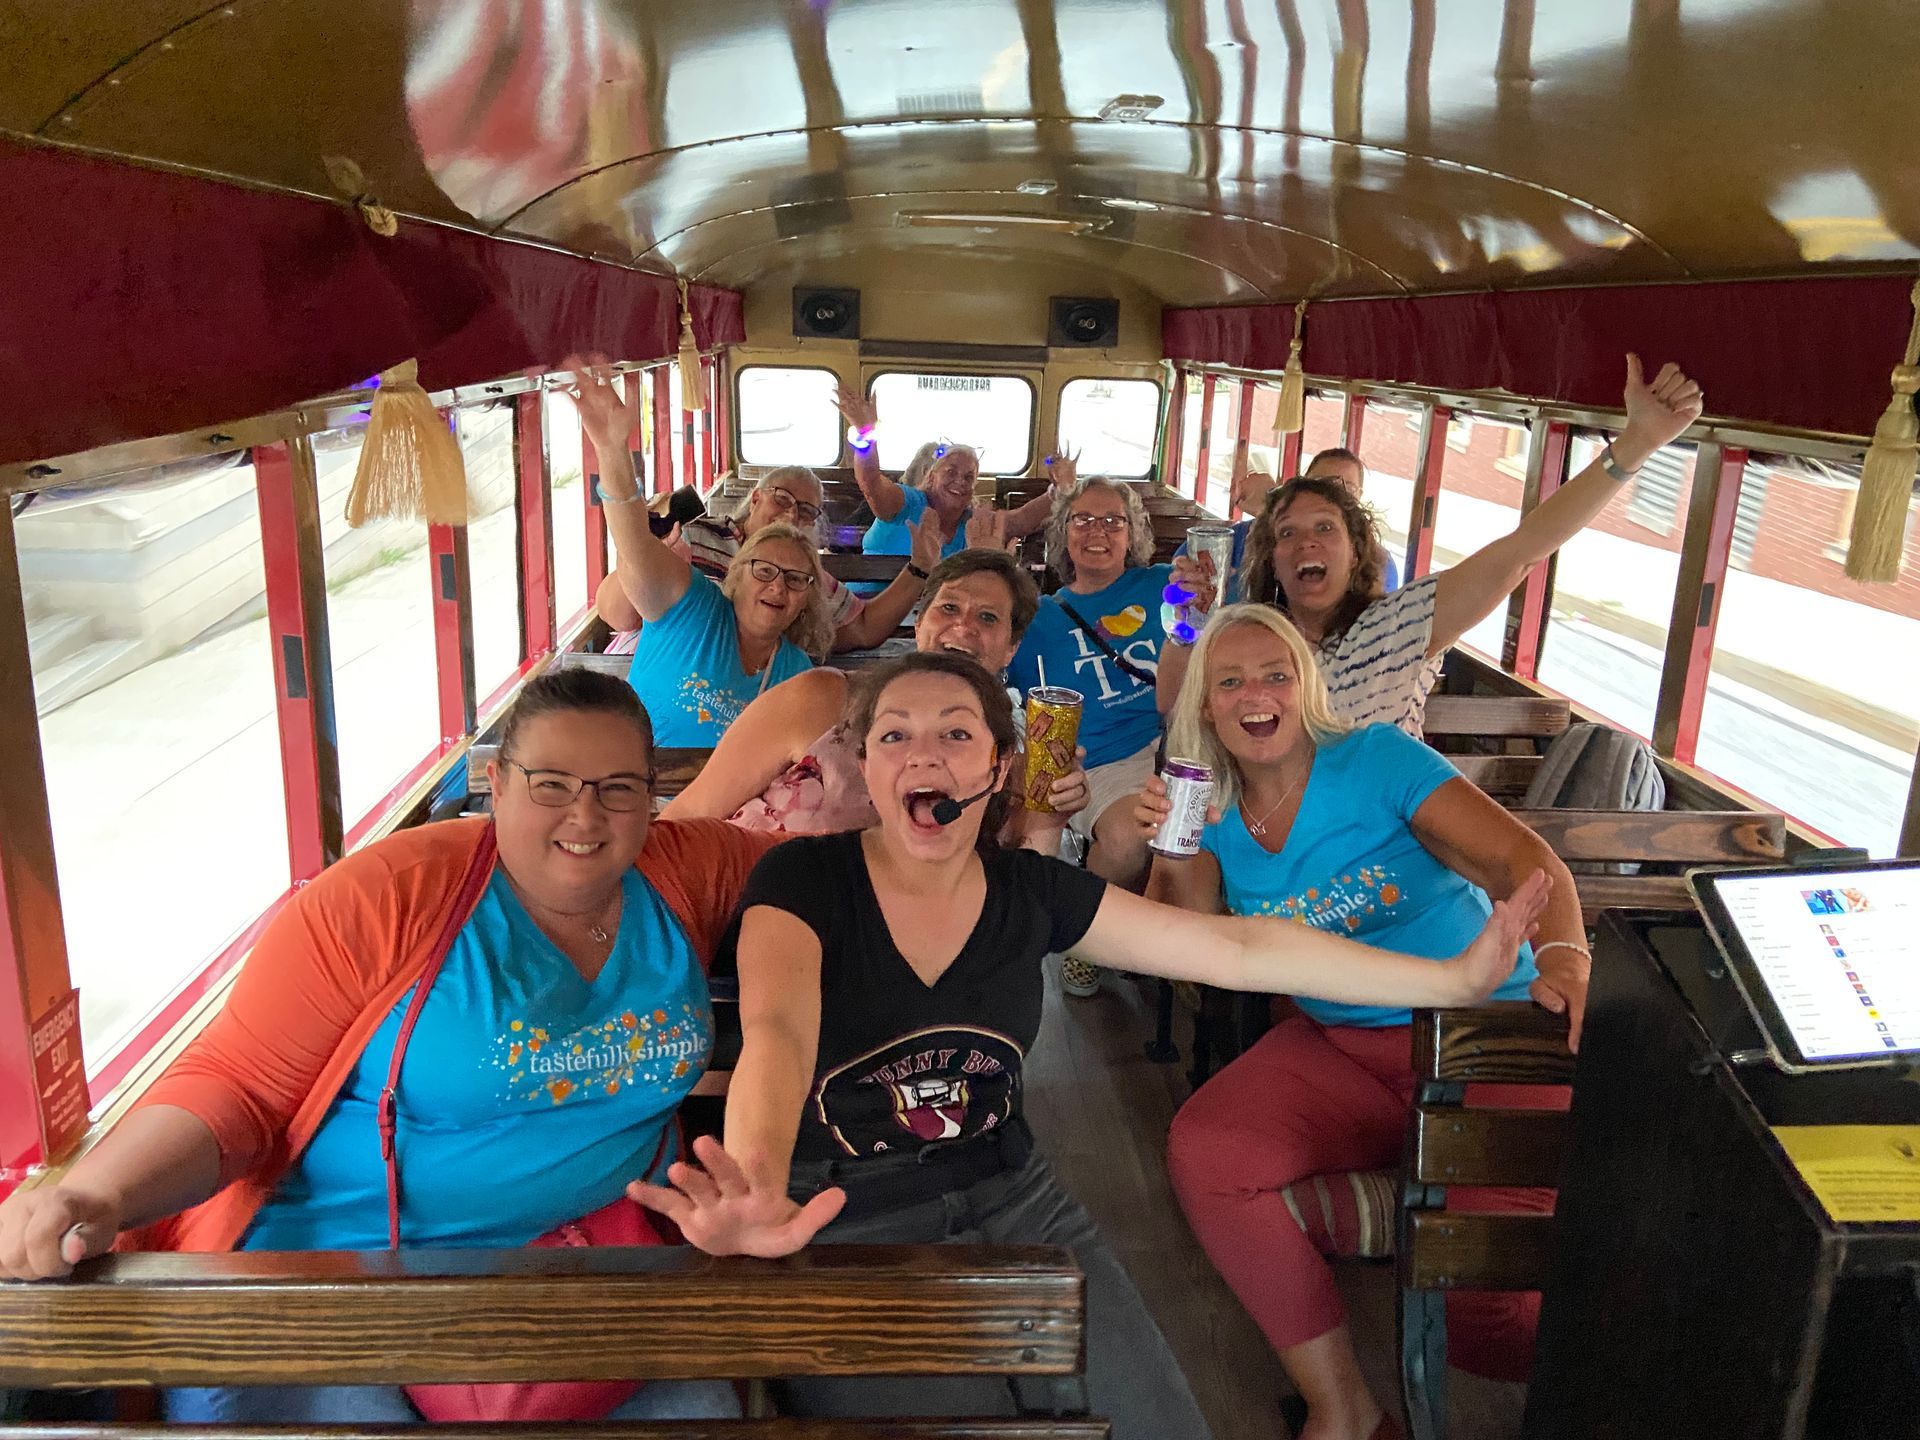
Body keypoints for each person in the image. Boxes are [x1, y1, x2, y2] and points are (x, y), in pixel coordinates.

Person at [629, 650, 1549, 1439]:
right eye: (894, 735)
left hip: (1012, 1192)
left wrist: (1455, 982)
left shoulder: (1029, 889)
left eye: (956, 733)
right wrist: (752, 1175)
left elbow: (1234, 946)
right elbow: (778, 1033)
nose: (924, 753)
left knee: (1155, 1424)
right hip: (844, 1212)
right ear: (864, 767)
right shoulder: (803, 879)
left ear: (999, 767)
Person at [0, 670, 776, 1425]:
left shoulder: (686, 875)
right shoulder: (389, 897)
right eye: (551, 783)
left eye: (618, 788)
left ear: (651, 801)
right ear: (497, 785)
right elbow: (238, 1085)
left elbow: (847, 872)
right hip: (341, 1280)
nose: (586, 814)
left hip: (587, 1274)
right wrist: (94, 1194)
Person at [1117, 605, 1587, 1440]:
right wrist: (1176, 852)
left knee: (1486, 1313)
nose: (1254, 694)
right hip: (1343, 1048)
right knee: (1208, 1153)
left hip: (1489, 1036)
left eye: (1275, 674)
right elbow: (1203, 941)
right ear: (1206, 708)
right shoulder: (1211, 805)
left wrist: (1567, 961)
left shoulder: (1376, 759)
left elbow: (1523, 861)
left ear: (1307, 686)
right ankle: (1346, 1407)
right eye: (1229, 681)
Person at [1160, 357, 1704, 735]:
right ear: (1272, 561)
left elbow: (1522, 550)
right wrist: (1188, 623)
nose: (1306, 542)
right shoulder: (1245, 636)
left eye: (1326, 528)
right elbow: (1174, 712)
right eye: (1287, 533)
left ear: (1357, 552)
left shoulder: (1401, 626)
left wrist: (1635, 445)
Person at [662, 549, 1087, 841]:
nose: (964, 626)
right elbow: (683, 819)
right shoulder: (821, 698)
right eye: (949, 608)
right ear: (920, 625)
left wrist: (1049, 819)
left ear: (1011, 646)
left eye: (989, 617)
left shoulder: (1005, 763)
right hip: (740, 925)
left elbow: (1021, 891)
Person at [569, 363, 833, 746]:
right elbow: (633, 543)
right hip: (636, 794)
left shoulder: (795, 671)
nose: (779, 586)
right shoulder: (691, 607)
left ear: (805, 601)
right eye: (764, 571)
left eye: (795, 579)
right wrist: (611, 450)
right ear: (737, 575)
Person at [584, 385, 939, 656]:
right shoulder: (696, 539)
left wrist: (920, 567)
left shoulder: (803, 574)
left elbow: (861, 627)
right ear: (755, 499)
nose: (789, 513)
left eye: (805, 510)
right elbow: (619, 615)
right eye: (781, 499)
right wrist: (646, 554)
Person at [1004, 474, 1168, 996]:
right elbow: (985, 670)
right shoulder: (1038, 618)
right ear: (1064, 533)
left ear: (1133, 533)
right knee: (1125, 836)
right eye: (1084, 519)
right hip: (1102, 759)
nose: (1098, 531)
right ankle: (1086, 939)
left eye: (1113, 520)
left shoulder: (1165, 586)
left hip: (1179, 742)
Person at [838, 387, 1063, 590]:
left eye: (968, 477)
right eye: (950, 472)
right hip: (871, 609)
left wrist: (1058, 488)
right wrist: (866, 435)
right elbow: (871, 484)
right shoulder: (907, 503)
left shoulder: (974, 522)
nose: (960, 481)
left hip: (932, 618)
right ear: (932, 476)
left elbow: (1022, 520)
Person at [1175, 447, 1400, 602]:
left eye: (1346, 489)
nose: (1332, 498)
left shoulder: (1377, 561)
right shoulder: (1219, 543)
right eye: (1321, 486)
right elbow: (1173, 598)